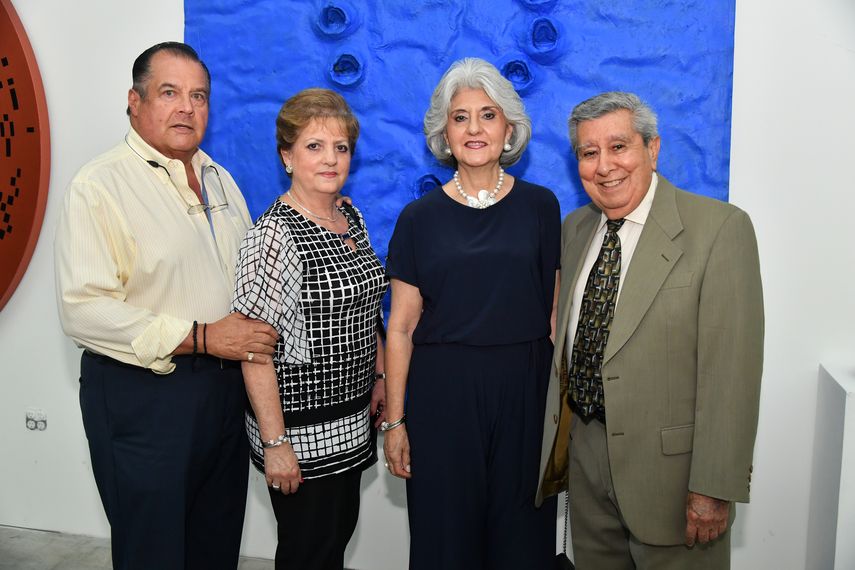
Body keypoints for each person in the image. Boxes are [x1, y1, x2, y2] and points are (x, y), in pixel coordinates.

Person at [54, 42, 278, 570]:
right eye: (169, 93)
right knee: (153, 551)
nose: (186, 108)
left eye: (198, 96)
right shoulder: (99, 185)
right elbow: (82, 309)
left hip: (223, 392)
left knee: (214, 546)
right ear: (135, 102)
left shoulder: (220, 178)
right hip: (145, 396)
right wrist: (202, 336)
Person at [537, 91, 764, 569]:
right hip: (586, 462)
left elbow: (731, 373)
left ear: (652, 149)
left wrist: (714, 486)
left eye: (618, 147)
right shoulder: (575, 229)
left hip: (674, 480)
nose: (604, 166)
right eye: (589, 152)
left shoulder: (719, 229)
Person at [383, 57, 560, 569]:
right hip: (444, 398)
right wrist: (395, 421)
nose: (474, 129)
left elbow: (553, 314)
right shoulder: (418, 219)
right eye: (460, 117)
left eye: (488, 115)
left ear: (509, 128)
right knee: (446, 540)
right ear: (444, 133)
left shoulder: (541, 207)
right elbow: (401, 327)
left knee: (522, 540)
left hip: (525, 393)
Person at [232, 88, 387, 570]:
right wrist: (276, 445)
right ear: (287, 156)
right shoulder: (272, 237)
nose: (331, 158)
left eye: (341, 147)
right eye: (314, 146)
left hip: (350, 422)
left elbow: (367, 309)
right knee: (308, 553)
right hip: (300, 437)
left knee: (333, 543)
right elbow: (254, 350)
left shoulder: (349, 217)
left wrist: (380, 377)